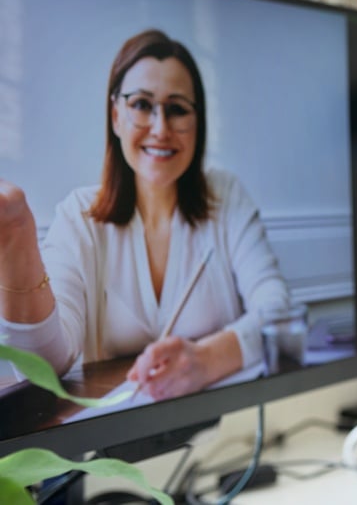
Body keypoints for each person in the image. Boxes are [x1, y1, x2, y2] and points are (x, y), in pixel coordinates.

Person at [0, 29, 290, 401]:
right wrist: (19, 241)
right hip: (111, 448)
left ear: (197, 123)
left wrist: (205, 360)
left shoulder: (227, 197)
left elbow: (279, 314)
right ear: (116, 115)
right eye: (141, 104)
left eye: (178, 109)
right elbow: (43, 366)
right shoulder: (78, 217)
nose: (160, 128)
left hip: (224, 434)